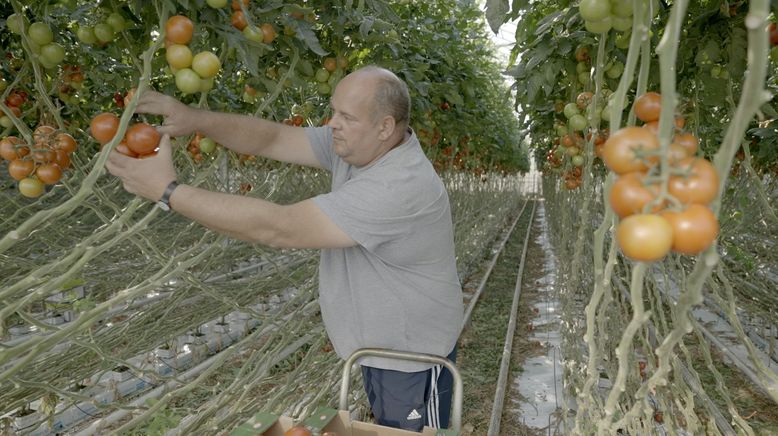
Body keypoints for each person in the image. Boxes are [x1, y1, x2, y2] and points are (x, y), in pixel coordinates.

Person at [106, 66, 463, 431]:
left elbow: (280, 228)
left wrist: (168, 191)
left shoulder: (399, 186)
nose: (332, 123)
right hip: (382, 348)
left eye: (346, 116)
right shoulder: (360, 146)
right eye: (334, 110)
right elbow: (273, 139)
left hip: (412, 357)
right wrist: (194, 119)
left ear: (385, 127)